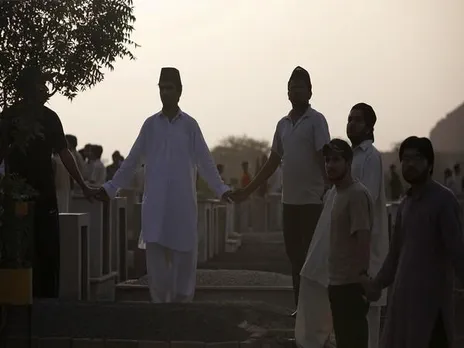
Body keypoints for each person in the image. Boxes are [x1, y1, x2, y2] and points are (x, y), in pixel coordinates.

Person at [93, 67, 232, 303]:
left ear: (180, 92)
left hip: (182, 204)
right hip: (155, 205)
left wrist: (222, 190)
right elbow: (132, 161)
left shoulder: (190, 126)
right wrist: (110, 188)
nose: (165, 93)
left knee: (184, 257)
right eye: (162, 88)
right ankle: (160, 310)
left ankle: (182, 309)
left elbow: (205, 162)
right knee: (156, 260)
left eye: (170, 88)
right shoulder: (150, 125)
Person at [232, 66, 331, 315]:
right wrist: (248, 190)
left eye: (301, 88)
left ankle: (316, 310)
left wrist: (331, 188)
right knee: (295, 258)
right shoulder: (283, 125)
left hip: (312, 202)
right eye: (292, 88)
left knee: (311, 259)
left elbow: (323, 158)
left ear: (310, 92)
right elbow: (272, 162)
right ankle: (301, 307)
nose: (296, 92)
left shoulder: (316, 121)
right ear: (287, 93)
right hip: (290, 203)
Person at [296, 103, 388, 348]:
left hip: (357, 270)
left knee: (362, 334)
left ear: (370, 126)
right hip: (340, 269)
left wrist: (362, 273)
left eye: (358, 120)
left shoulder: (370, 157)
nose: (352, 124)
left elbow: (362, 219)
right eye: (349, 119)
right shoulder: (337, 187)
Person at [0, 65, 95, 298]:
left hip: (41, 193)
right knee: (26, 246)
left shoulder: (47, 117)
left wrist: (82, 184)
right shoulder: (11, 117)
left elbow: (64, 154)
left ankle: (43, 298)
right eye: (41, 83)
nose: (46, 89)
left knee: (43, 247)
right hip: (19, 193)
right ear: (30, 87)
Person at [365, 136, 464, 348]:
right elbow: (395, 254)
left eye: (417, 158)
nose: (410, 164)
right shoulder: (406, 204)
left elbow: (458, 253)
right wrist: (377, 284)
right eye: (406, 158)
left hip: (432, 306)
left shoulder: (443, 201)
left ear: (429, 164)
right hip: (402, 302)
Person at [323, 139, 373, 348]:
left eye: (336, 160)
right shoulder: (336, 195)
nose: (330, 165)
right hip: (337, 283)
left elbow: (363, 238)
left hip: (351, 286)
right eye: (327, 160)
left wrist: (362, 281)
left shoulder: (356, 194)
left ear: (348, 162)